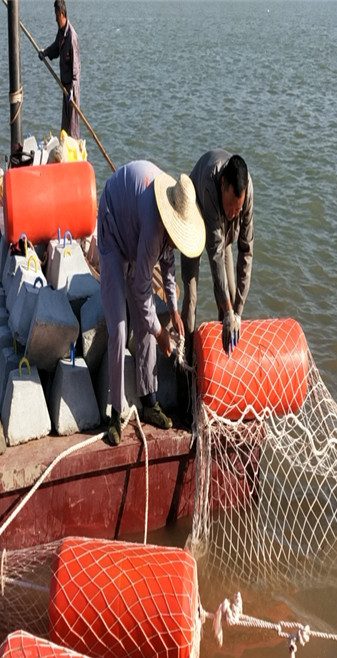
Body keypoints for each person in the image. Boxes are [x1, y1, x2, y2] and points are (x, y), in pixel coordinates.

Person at [98, 161, 206, 446]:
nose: (175, 241)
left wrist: (172, 307)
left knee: (147, 324)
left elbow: (168, 265)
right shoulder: (153, 228)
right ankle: (115, 412)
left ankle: (149, 401)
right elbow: (144, 291)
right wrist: (162, 334)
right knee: (120, 328)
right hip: (113, 225)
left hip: (135, 231)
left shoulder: (166, 226)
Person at [181, 150, 254, 357]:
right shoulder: (209, 184)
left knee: (230, 298)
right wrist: (229, 308)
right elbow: (215, 253)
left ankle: (222, 358)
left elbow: (247, 250)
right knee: (191, 293)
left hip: (222, 234)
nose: (233, 213)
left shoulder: (246, 194)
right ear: (223, 184)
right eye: (230, 206)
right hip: (196, 217)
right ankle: (187, 355)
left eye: (237, 210)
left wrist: (236, 312)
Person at [39, 0, 80, 138]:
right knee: (65, 123)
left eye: (57, 16)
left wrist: (73, 89)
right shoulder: (61, 33)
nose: (56, 19)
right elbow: (56, 48)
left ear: (62, 14)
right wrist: (45, 52)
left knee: (72, 124)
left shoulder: (71, 36)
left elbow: (76, 66)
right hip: (64, 85)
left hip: (71, 88)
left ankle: (74, 147)